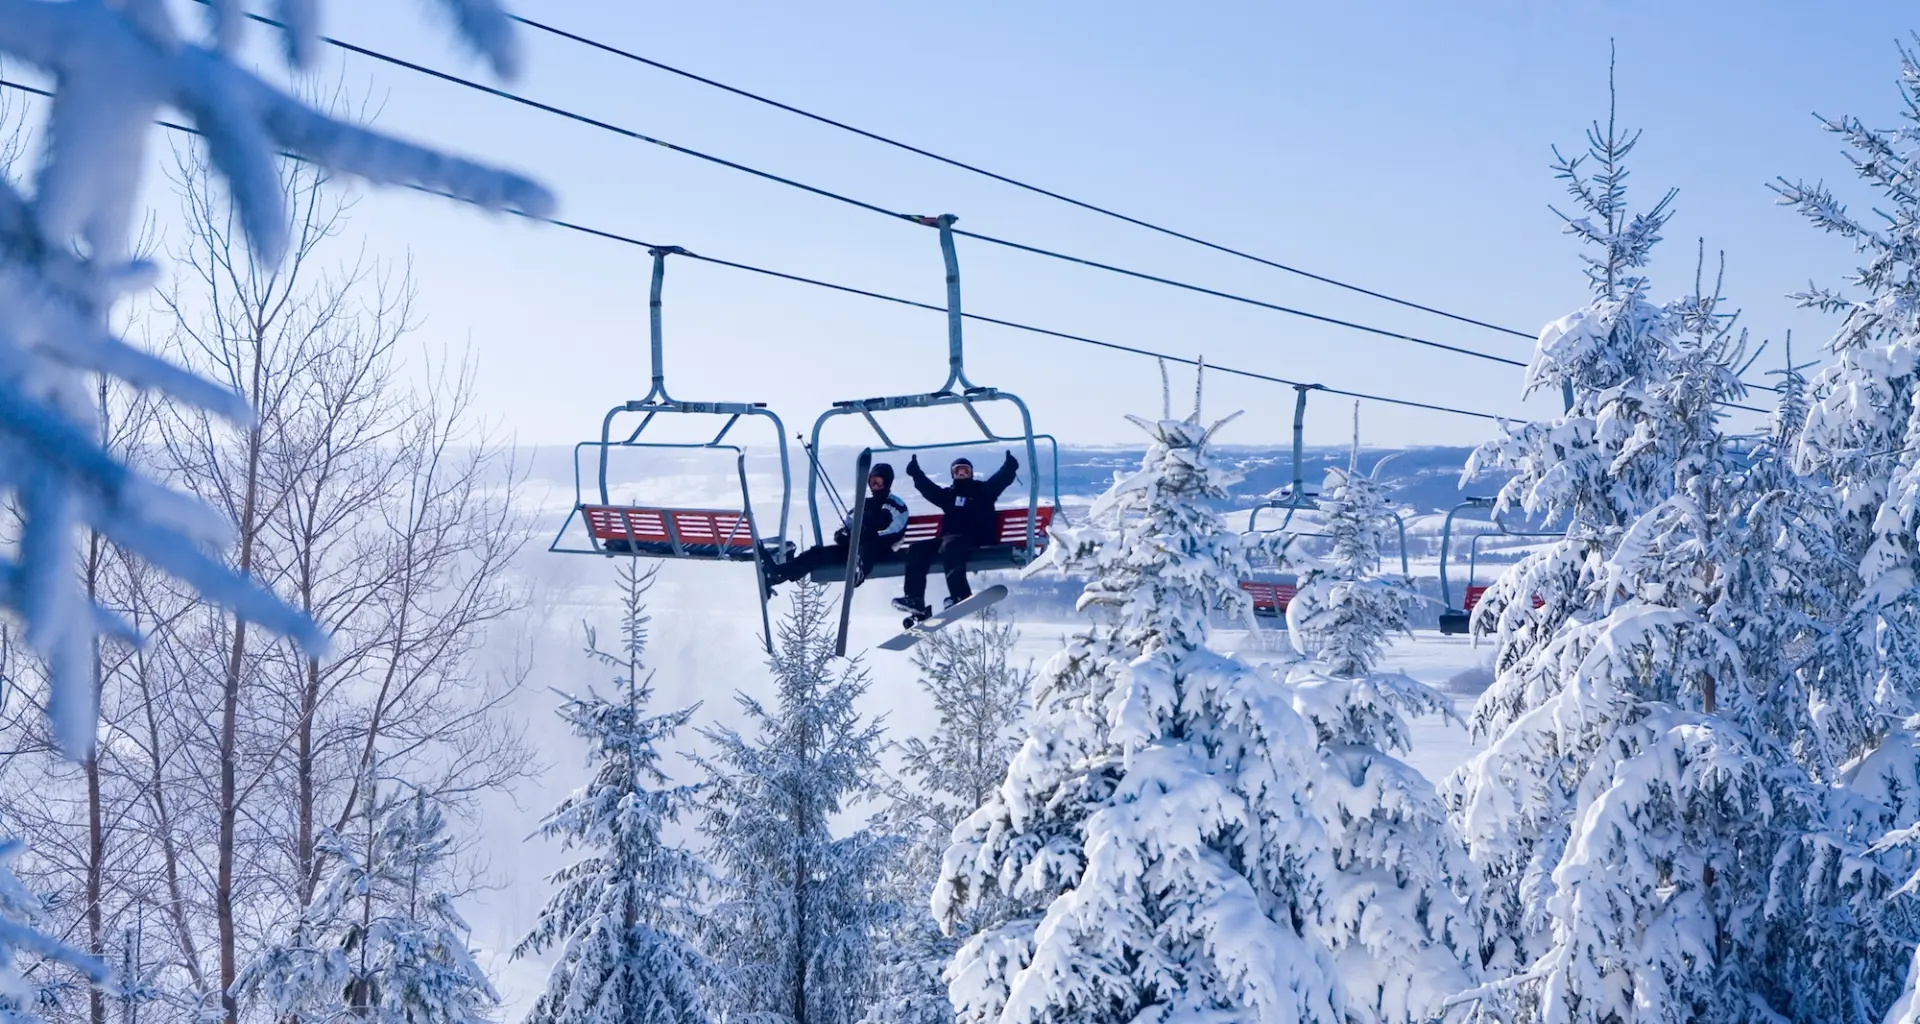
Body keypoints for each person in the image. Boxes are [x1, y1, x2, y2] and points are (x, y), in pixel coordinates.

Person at [892, 451, 1019, 619]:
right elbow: (930, 490)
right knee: (917, 548)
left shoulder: (983, 490)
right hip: (950, 539)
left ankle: (960, 594)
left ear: (971, 473)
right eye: (958, 471)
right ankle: (914, 599)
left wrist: (1009, 466)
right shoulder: (949, 495)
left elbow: (1000, 480)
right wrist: (916, 473)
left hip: (976, 537)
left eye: (965, 471)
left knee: (950, 546)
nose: (962, 474)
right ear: (953, 474)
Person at [765, 462, 909, 594]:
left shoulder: (896, 505)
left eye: (879, 481)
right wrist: (845, 536)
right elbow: (843, 528)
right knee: (818, 554)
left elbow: (895, 532)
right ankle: (780, 573)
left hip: (882, 551)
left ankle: (860, 569)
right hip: (853, 551)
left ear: (887, 482)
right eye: (872, 481)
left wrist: (869, 537)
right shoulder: (862, 505)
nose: (875, 485)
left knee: (868, 534)